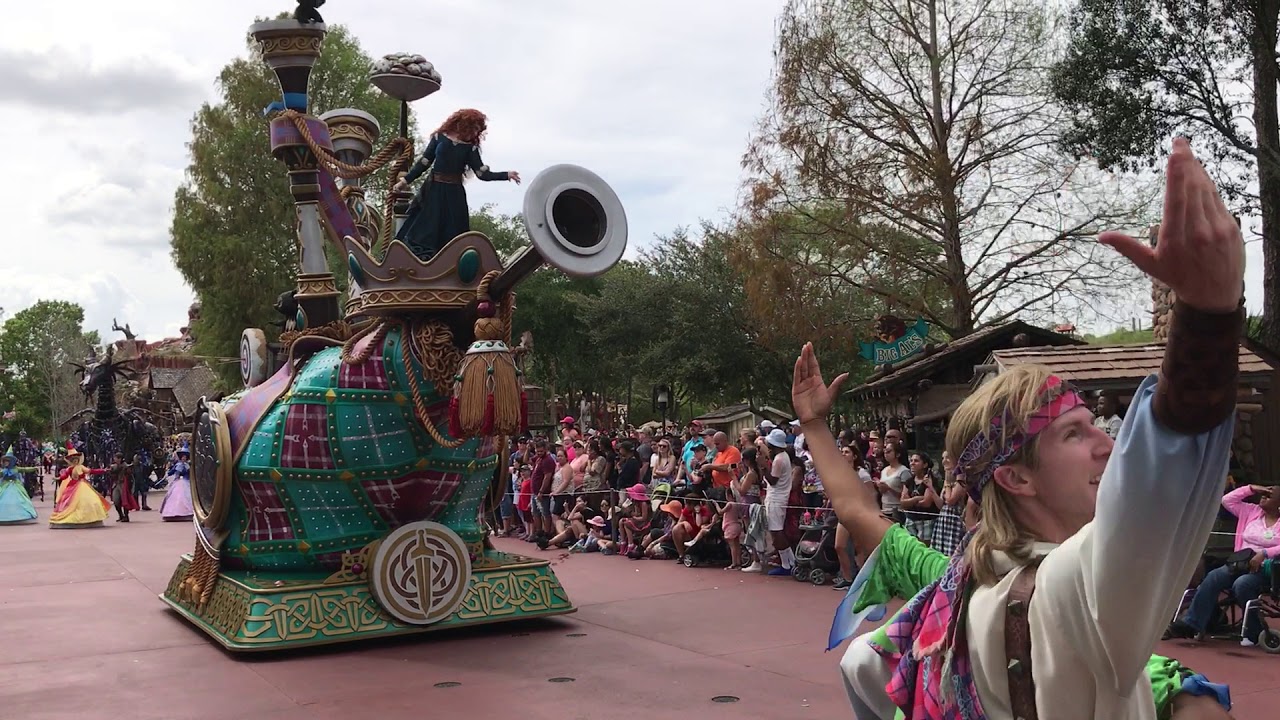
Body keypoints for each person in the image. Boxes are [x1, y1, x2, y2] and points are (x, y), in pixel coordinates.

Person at [796, 137, 1241, 718]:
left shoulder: (950, 584)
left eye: (1094, 425)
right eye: (1074, 434)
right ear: (1015, 478)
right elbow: (1158, 486)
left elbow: (856, 512)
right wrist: (1207, 314)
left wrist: (814, 425)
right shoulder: (1075, 590)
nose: (1109, 445)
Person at [392, 108, 521, 261]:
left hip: (454, 195)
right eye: (474, 128)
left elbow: (483, 174)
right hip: (433, 192)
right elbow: (424, 163)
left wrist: (506, 175)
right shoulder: (439, 138)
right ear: (464, 124)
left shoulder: (470, 149)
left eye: (478, 131)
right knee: (425, 227)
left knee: (453, 233)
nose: (475, 133)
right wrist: (405, 181)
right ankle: (415, 260)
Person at [1169, 482, 1280, 644]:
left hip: (1267, 569)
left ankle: (1254, 631)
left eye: (1269, 496)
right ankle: (1191, 624)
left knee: (1242, 584)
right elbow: (1227, 500)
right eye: (1263, 494)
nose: (1263, 497)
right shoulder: (1251, 511)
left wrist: (1263, 554)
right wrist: (1251, 488)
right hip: (1240, 564)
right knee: (1213, 577)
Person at [49, 445, 111, 529]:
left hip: (83, 485)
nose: (75, 461)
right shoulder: (69, 469)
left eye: (76, 460)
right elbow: (65, 476)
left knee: (90, 500)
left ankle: (90, 519)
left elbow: (91, 471)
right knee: (69, 501)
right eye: (73, 460)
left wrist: (103, 470)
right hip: (72, 486)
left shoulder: (81, 467)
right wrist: (58, 478)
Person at [0, 446, 39, 525]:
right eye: (5, 461)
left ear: (11, 461)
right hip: (5, 486)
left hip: (16, 486)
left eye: (7, 461)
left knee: (22, 499)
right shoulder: (3, 471)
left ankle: (22, 516)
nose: (6, 463)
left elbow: (25, 469)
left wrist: (34, 468)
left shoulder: (16, 468)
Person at [160, 444, 194, 522]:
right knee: (175, 495)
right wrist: (169, 473)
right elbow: (172, 471)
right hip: (178, 482)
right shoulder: (178, 465)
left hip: (186, 482)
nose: (184, 458)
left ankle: (188, 512)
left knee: (187, 496)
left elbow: (190, 474)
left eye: (185, 457)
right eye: (182, 457)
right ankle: (171, 513)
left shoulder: (188, 465)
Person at [107, 452, 140, 523]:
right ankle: (121, 515)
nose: (115, 459)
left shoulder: (125, 466)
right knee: (116, 500)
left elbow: (130, 475)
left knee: (125, 500)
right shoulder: (114, 466)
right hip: (116, 484)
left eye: (116, 458)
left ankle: (126, 516)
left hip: (123, 485)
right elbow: (111, 474)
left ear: (120, 459)